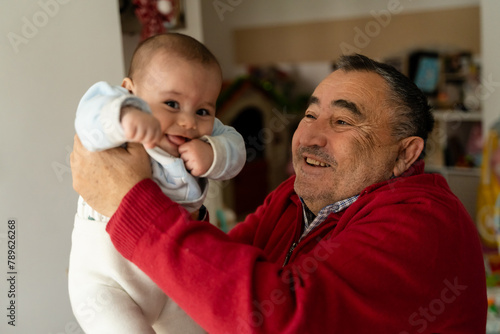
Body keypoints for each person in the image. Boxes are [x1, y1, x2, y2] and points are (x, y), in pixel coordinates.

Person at [70, 54, 487, 333]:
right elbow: (217, 274)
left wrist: (131, 204)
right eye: (309, 114)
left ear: (405, 153)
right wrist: (176, 195)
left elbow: (281, 318)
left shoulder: (425, 224)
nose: (310, 135)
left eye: (342, 121)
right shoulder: (296, 198)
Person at [68, 33, 245, 334]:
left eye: (203, 110)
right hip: (107, 282)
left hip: (171, 277)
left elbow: (237, 147)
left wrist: (214, 153)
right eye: (171, 103)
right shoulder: (120, 114)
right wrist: (124, 116)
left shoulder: (206, 135)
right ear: (130, 91)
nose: (188, 121)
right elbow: (89, 117)